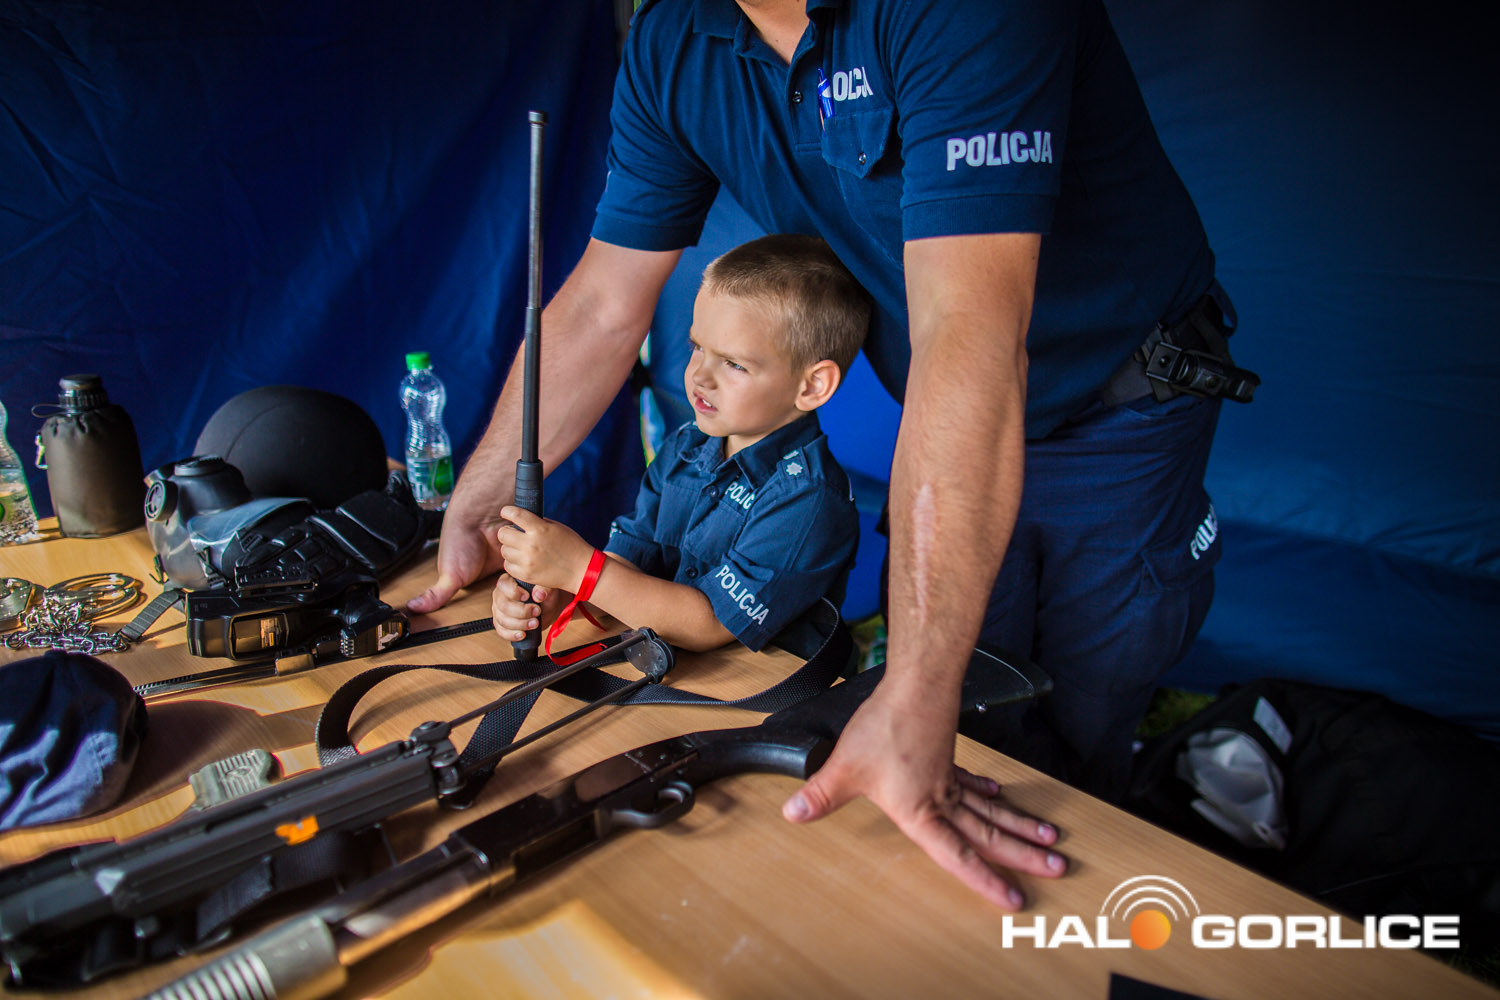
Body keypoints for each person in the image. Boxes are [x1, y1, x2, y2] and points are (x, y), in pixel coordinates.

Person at [412, 0, 1246, 909]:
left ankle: (1064, 932)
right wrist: (480, 502)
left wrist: (912, 694)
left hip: (1115, 410)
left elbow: (970, 336)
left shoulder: (958, 13)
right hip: (947, 411)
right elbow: (606, 305)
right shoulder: (673, 40)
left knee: (1080, 726)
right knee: (975, 711)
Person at [488, 234, 863, 655]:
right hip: (672, 672)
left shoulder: (809, 497)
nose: (700, 375)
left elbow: (710, 623)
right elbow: (633, 559)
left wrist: (581, 569)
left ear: (812, 386)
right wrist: (560, 594)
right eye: (697, 347)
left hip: (760, 689)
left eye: (734, 363)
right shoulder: (686, 446)